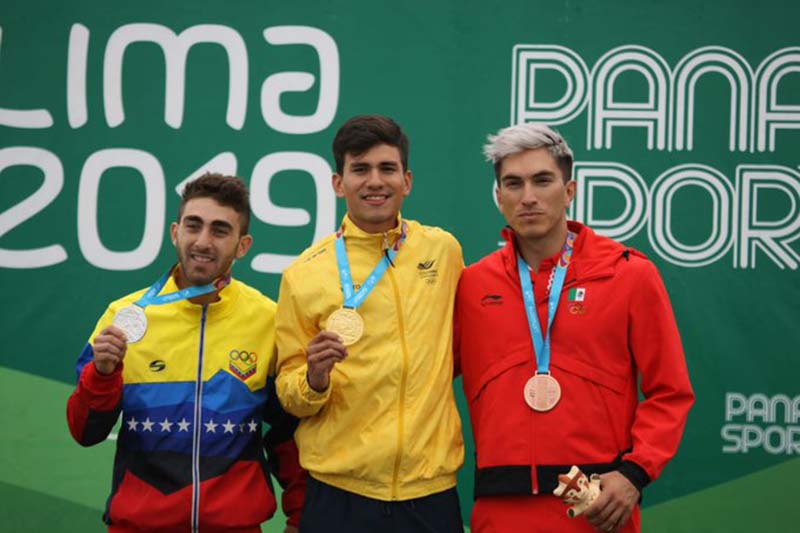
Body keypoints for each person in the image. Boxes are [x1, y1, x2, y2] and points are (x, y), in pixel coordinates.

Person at [455, 123, 694, 532]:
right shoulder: (472, 285)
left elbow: (670, 391)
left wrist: (635, 473)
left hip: (597, 509)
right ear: (498, 198)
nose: (527, 196)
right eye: (513, 184)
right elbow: (422, 379)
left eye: (542, 180)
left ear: (569, 191)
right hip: (499, 510)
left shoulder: (629, 275)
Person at [66, 173, 305, 533]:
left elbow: (290, 434)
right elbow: (85, 432)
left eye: (220, 230)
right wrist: (101, 374)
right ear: (175, 232)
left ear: (243, 245)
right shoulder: (123, 317)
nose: (203, 241)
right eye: (194, 226)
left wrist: (301, 518)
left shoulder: (269, 321)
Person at [275, 115, 465, 532]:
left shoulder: (443, 251)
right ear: (338, 184)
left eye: (387, 168)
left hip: (430, 492)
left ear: (407, 180)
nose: (375, 181)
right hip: (339, 493)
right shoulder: (303, 274)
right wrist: (314, 378)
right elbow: (289, 393)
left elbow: (460, 349)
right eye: (360, 169)